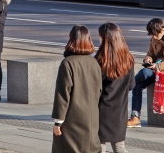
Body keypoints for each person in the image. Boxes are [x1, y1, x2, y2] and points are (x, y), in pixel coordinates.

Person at [127, 18, 164, 128]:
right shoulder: (154, 40)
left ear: (163, 30)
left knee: (144, 73)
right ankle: (135, 117)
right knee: (137, 86)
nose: (154, 37)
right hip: (155, 69)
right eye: (152, 35)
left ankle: (128, 83)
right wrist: (148, 60)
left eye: (155, 34)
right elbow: (150, 54)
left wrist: (157, 65)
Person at [52, 25, 103, 153]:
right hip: (91, 116)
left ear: (71, 39)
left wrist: (58, 121)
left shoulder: (67, 63)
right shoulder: (94, 63)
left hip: (72, 117)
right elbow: (99, 90)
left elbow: (63, 94)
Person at [95, 23, 135, 153]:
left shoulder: (100, 60)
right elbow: (131, 85)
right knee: (119, 147)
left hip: (101, 110)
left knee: (99, 146)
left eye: (100, 36)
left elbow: (95, 88)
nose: (98, 38)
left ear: (106, 39)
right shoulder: (128, 59)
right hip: (120, 110)